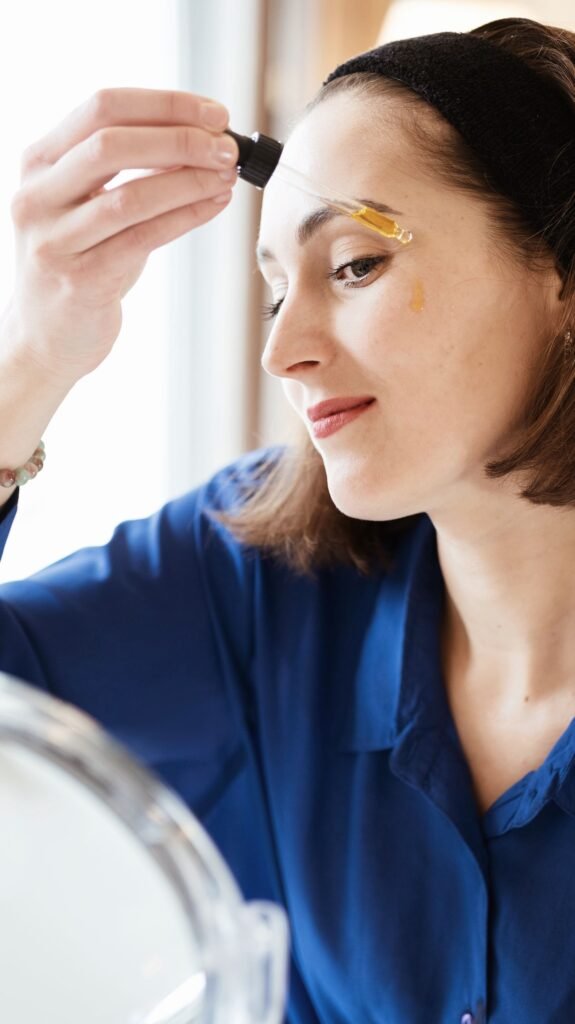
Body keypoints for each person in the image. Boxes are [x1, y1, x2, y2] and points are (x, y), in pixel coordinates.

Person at [0, 13, 574, 1023]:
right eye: (274, 294)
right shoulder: (252, 573)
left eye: (354, 265)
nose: (283, 351)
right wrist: (34, 356)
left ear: (557, 273)